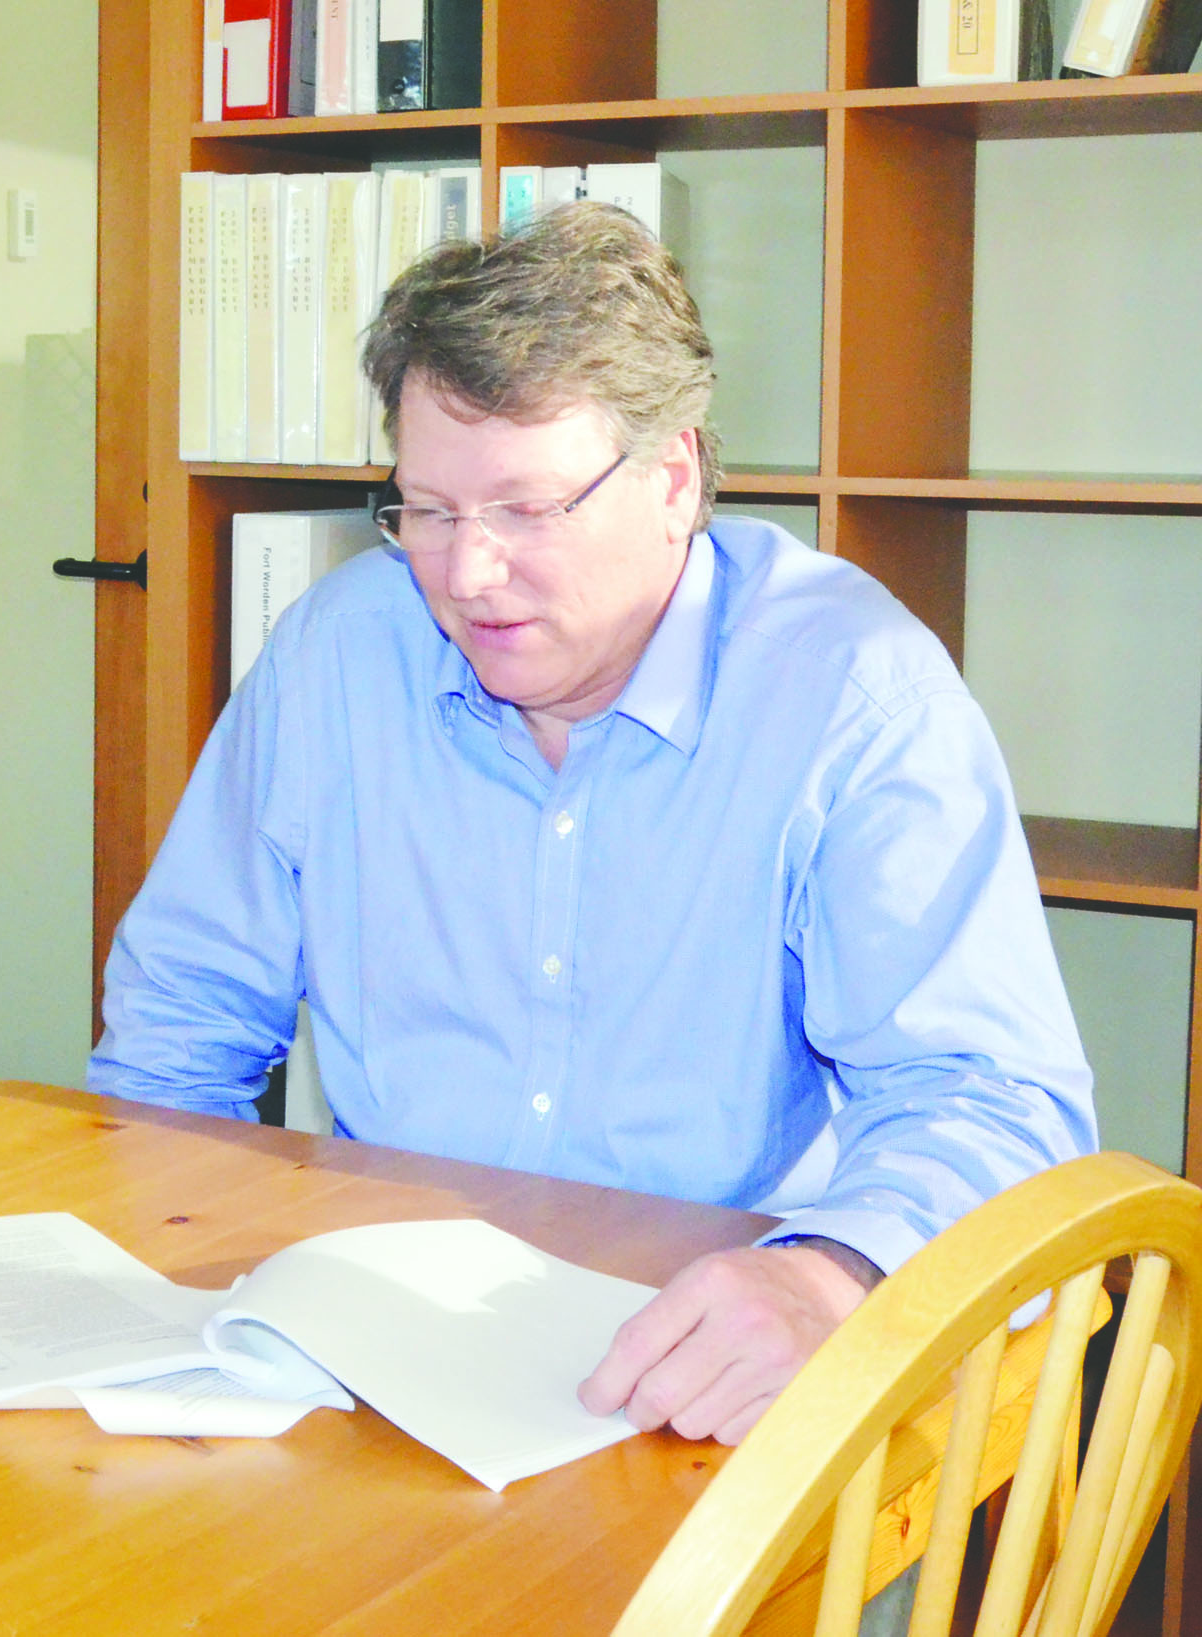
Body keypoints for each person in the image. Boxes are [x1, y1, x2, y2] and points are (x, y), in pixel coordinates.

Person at [88, 203, 1095, 1445]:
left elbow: (995, 1096)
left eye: (523, 509)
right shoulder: (340, 653)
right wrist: (170, 1278)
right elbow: (181, 1014)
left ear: (672, 479)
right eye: (429, 511)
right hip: (380, 1352)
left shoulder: (853, 693)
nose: (466, 573)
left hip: (724, 1363)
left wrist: (829, 1273)